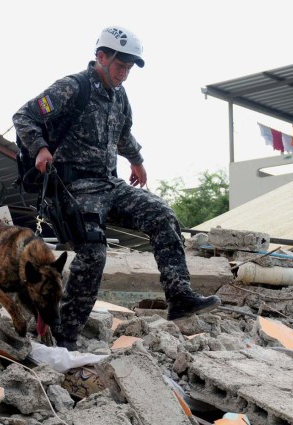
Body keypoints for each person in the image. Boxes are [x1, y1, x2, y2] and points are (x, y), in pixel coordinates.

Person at [12, 26, 221, 350]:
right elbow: (24, 115)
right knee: (93, 253)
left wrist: (137, 161)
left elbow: (123, 135)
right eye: (120, 65)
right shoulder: (72, 87)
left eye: (128, 68)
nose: (124, 73)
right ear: (101, 57)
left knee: (161, 214)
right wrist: (40, 147)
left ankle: (179, 295)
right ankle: (65, 339)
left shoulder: (120, 97)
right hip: (75, 185)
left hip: (110, 182)